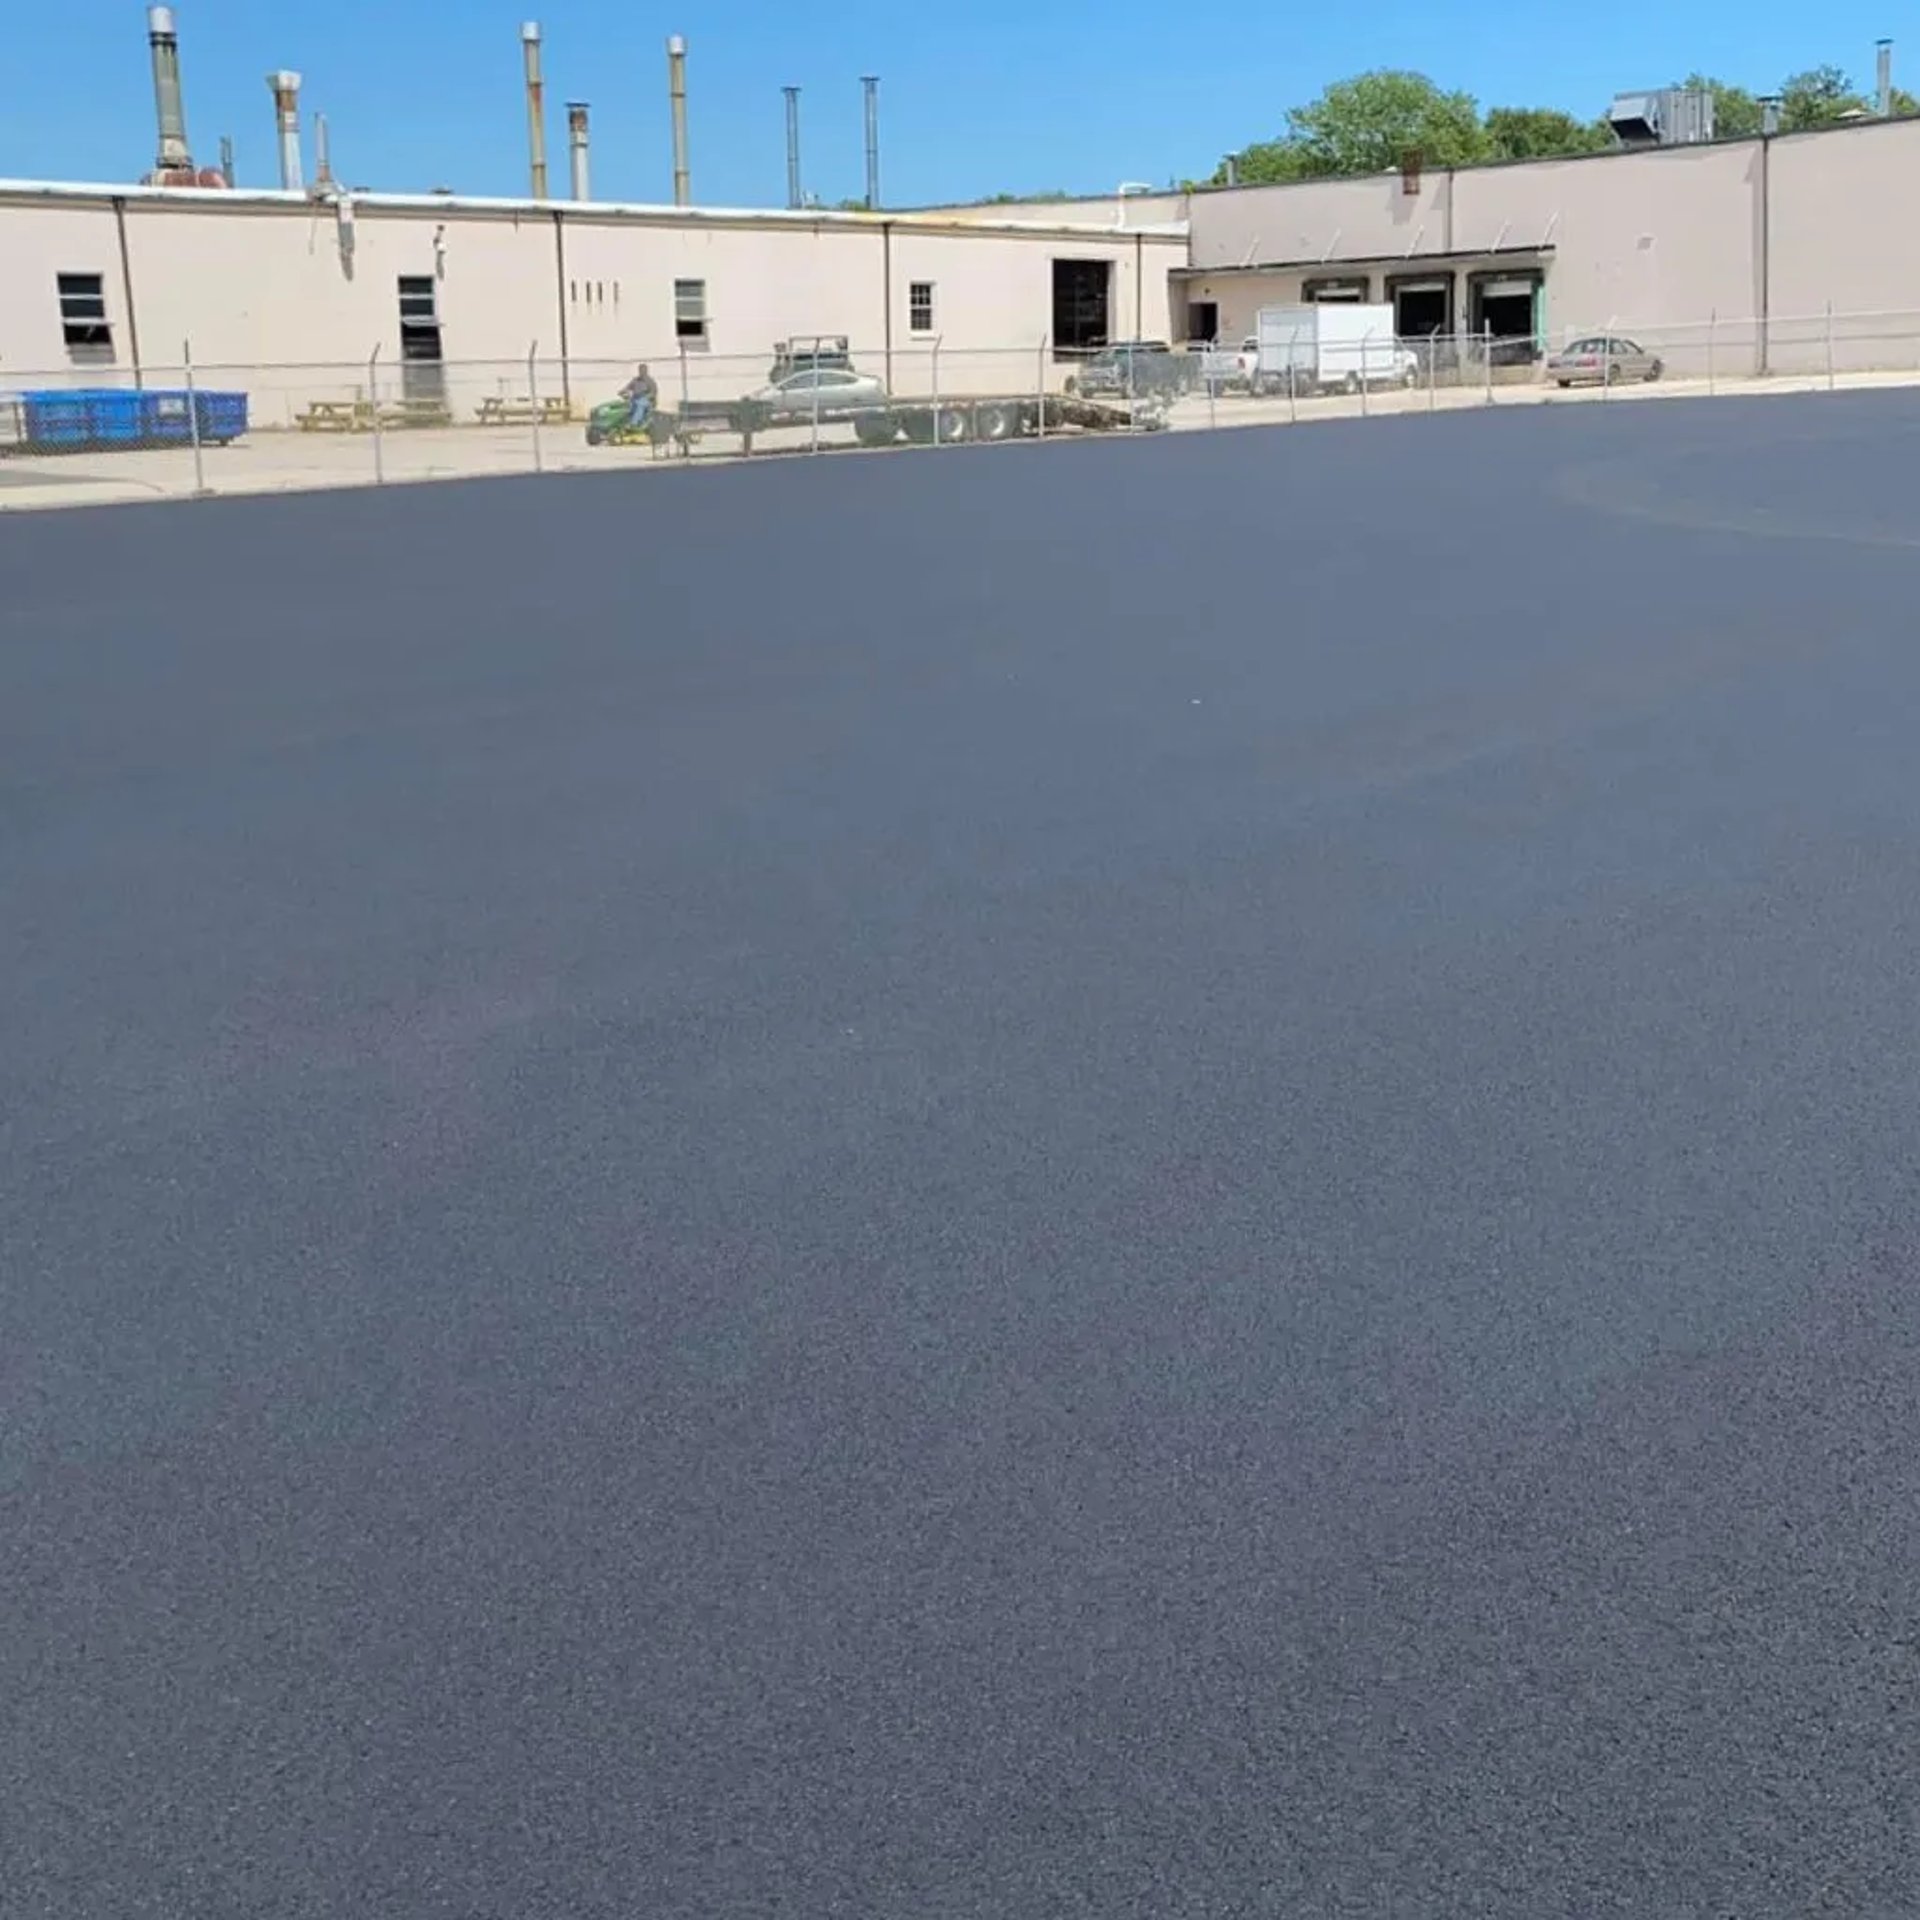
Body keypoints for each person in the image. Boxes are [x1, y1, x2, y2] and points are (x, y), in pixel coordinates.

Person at [620, 362, 658, 432]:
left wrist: (647, 396)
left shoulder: (650, 381)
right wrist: (622, 391)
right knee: (625, 405)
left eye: (643, 370)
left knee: (640, 404)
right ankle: (622, 424)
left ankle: (634, 424)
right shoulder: (636, 380)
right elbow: (628, 387)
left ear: (646, 371)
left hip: (647, 401)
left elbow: (653, 392)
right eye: (640, 370)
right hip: (635, 398)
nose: (641, 372)